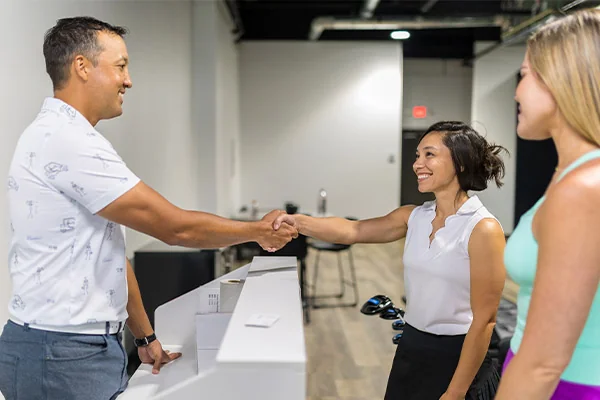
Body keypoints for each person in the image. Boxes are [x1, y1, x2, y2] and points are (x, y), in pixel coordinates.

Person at [0, 16, 297, 400]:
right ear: (81, 67)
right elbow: (175, 228)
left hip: (71, 349)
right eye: (121, 66)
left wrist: (144, 335)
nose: (129, 80)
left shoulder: (66, 136)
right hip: (62, 355)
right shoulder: (67, 140)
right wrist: (257, 231)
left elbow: (110, 255)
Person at [275, 121, 508, 399]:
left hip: (458, 358)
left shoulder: (482, 228)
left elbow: (485, 321)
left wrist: (456, 392)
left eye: (429, 155)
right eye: (417, 155)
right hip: (412, 347)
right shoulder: (415, 216)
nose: (417, 164)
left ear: (460, 162)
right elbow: (354, 230)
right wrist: (294, 222)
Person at [495, 9, 600, 400]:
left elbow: (545, 364)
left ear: (562, 80)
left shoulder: (584, 188)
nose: (518, 90)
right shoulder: (570, 177)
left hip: (564, 388)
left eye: (524, 74)